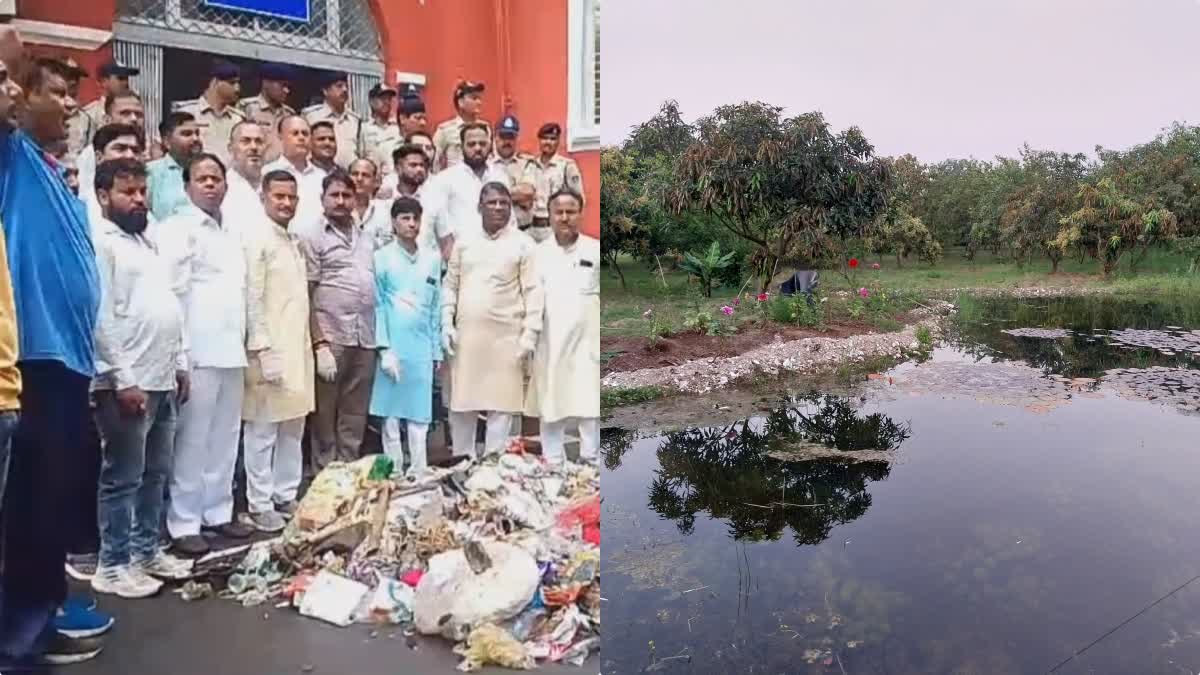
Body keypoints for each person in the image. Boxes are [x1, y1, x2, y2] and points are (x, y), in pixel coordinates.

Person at [0, 49, 108, 666]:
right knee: (31, 505)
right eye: (55, 93)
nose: (70, 105)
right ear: (19, 96)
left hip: (67, 361)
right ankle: (21, 636)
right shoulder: (12, 156)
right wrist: (11, 62)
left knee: (54, 499)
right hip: (36, 359)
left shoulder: (47, 168)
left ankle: (41, 615)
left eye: (72, 95)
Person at [90, 158, 193, 598]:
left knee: (156, 474)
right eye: (126, 192)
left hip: (162, 376)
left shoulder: (146, 241)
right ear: (102, 196)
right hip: (127, 382)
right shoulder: (102, 243)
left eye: (141, 191)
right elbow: (100, 316)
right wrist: (122, 377)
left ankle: (145, 552)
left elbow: (167, 302)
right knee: (123, 477)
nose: (137, 200)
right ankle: (111, 566)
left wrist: (181, 361)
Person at [158, 154, 253, 555]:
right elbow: (172, 293)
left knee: (225, 437)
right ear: (187, 187)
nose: (211, 184)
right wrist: (180, 355)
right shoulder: (177, 230)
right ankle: (184, 522)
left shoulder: (230, 232)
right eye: (202, 178)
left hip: (232, 348)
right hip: (198, 349)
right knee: (193, 440)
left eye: (216, 178)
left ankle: (217, 512)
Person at [441, 183, 542, 458]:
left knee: (502, 408)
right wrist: (446, 323)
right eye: (492, 202)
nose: (498, 207)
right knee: (462, 406)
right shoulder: (464, 241)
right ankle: (463, 467)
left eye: (504, 203)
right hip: (468, 339)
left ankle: (494, 471)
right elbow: (450, 285)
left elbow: (533, 292)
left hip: (508, 340)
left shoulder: (524, 244)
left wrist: (529, 336)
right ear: (479, 207)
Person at [241, 170, 313, 532]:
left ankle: (286, 494)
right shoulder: (257, 239)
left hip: (296, 349)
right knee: (263, 430)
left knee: (293, 427)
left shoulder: (293, 240)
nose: (285, 203)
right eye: (278, 197)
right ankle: (259, 502)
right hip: (267, 351)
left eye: (291, 197)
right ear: (263, 198)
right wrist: (261, 346)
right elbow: (252, 296)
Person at [303, 171, 377, 473]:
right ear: (322, 200)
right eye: (334, 195)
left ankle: (349, 476)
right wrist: (318, 343)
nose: (341, 201)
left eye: (347, 195)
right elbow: (306, 293)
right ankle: (323, 477)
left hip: (365, 337)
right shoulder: (312, 236)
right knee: (324, 415)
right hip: (331, 337)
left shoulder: (366, 237)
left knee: (355, 414)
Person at [525, 190, 599, 466]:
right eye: (559, 212)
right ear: (550, 215)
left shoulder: (594, 249)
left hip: (587, 341)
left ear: (580, 214)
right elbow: (532, 298)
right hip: (550, 340)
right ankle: (553, 459)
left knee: (589, 402)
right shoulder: (538, 254)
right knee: (551, 401)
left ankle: (591, 458)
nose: (565, 217)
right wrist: (528, 337)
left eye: (571, 211)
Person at [370, 197, 441, 475]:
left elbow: (435, 306)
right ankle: (395, 471)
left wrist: (436, 351)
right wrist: (383, 348)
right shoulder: (381, 258)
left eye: (415, 219)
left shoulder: (432, 260)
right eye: (405, 218)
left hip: (421, 347)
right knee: (390, 415)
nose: (411, 224)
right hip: (393, 346)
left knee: (419, 414)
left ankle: (419, 470)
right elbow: (376, 305)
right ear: (394, 222)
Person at [424, 122, 509, 260]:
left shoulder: (500, 176)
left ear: (490, 145)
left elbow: (510, 219)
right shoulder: (446, 179)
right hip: (460, 257)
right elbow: (436, 219)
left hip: (497, 256)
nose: (477, 148)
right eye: (471, 144)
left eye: (482, 144)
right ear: (461, 147)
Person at [172, 60, 245, 166]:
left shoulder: (238, 118)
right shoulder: (187, 112)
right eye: (232, 83)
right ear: (215, 82)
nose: (237, 88)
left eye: (238, 83)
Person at [264, 115, 326, 238]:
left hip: (319, 246)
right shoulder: (267, 172)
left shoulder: (322, 176)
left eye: (305, 134)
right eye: (295, 133)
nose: (301, 138)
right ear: (281, 137)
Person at [76, 92, 147, 199]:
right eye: (125, 113)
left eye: (138, 114)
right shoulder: (90, 155)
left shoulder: (154, 152)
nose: (133, 118)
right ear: (106, 120)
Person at [522, 122, 584, 237]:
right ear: (539, 140)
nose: (548, 142)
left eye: (552, 139)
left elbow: (579, 199)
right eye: (544, 138)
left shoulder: (566, 166)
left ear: (558, 141)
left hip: (555, 229)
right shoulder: (531, 165)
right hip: (531, 228)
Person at [80, 123, 145, 224]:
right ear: (99, 157)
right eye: (120, 149)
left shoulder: (141, 200)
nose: (130, 155)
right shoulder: (84, 205)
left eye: (135, 151)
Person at [146, 111, 202, 220]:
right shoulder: (151, 172)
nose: (195, 139)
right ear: (167, 141)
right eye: (187, 134)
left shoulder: (209, 169)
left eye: (197, 133)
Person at [375, 144, 430, 249]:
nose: (419, 169)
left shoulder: (432, 199)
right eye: (413, 165)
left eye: (422, 165)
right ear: (398, 168)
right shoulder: (383, 200)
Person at [489, 114, 537, 235]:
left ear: (516, 138)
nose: (507, 142)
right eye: (503, 136)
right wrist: (515, 194)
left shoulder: (527, 163)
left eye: (511, 137)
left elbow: (527, 193)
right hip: (495, 233)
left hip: (524, 230)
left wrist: (494, 196)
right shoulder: (486, 164)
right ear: (495, 138)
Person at [238, 63, 295, 163]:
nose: (286, 90)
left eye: (288, 86)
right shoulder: (248, 107)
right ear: (266, 83)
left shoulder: (288, 114)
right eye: (282, 85)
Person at [303, 71, 359, 169]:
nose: (345, 90)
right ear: (325, 91)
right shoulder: (311, 116)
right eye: (339, 86)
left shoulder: (355, 120)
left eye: (346, 86)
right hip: (317, 172)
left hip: (348, 176)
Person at [433, 80, 489, 171]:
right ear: (461, 102)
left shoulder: (486, 128)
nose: (479, 102)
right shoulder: (445, 130)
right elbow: (434, 160)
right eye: (474, 98)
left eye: (479, 98)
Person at [222, 120, 266, 225]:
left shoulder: (274, 184)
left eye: (259, 141)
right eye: (246, 141)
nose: (254, 147)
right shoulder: (222, 187)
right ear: (230, 148)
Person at [358, 83, 401, 179]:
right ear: (371, 102)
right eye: (382, 99)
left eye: (389, 99)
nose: (387, 102)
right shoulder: (363, 128)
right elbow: (361, 155)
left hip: (395, 178)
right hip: (373, 179)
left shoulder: (398, 127)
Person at [81, 60, 139, 131]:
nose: (126, 83)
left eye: (127, 79)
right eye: (120, 78)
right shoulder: (90, 115)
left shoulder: (136, 111)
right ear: (104, 81)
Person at [348, 158, 391, 246]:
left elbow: (388, 243)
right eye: (355, 174)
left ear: (375, 181)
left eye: (365, 175)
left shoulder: (385, 211)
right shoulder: (338, 209)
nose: (359, 179)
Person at [62, 58, 91, 157]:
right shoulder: (44, 112)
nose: (73, 82)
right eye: (69, 76)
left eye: (77, 77)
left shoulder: (86, 119)